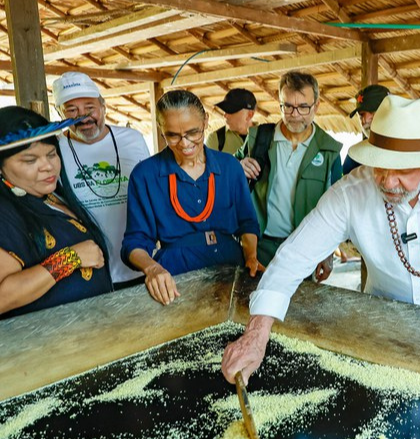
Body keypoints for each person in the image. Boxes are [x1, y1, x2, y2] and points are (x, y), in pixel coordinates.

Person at [220, 95, 420, 385]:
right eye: (381, 166)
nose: (388, 182)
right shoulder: (351, 192)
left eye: (403, 171)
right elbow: (296, 255)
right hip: (385, 331)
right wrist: (257, 332)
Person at [121, 90, 262, 306]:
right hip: (176, 277)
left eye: (192, 132)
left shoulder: (229, 167)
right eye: (172, 135)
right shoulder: (145, 175)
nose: (184, 143)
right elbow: (135, 242)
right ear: (160, 129)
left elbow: (247, 223)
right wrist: (152, 268)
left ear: (206, 121)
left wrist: (251, 256)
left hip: (231, 268)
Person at [0, 106, 111, 319]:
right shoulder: (5, 213)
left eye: (51, 155)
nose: (47, 166)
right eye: (30, 160)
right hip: (46, 346)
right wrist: (71, 258)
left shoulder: (50, 196)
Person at [233, 71, 343, 274]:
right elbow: (227, 169)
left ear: (316, 106)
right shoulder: (259, 139)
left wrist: (327, 253)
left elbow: (338, 210)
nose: (295, 115)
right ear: (280, 104)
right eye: (288, 107)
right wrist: (238, 167)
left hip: (305, 248)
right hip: (260, 247)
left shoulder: (330, 151)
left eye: (303, 107)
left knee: (301, 304)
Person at [53, 71, 150, 289]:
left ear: (103, 106)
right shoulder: (54, 150)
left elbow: (153, 191)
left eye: (89, 108)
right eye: (72, 110)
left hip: (141, 264)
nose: (83, 117)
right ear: (59, 113)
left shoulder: (132, 140)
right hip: (88, 273)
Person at [343, 84, 390, 175]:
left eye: (373, 111)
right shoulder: (355, 156)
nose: (366, 119)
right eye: (361, 115)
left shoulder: (410, 148)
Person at [205, 88, 257, 155]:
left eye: (231, 110)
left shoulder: (268, 138)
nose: (225, 115)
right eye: (225, 110)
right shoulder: (216, 139)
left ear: (249, 115)